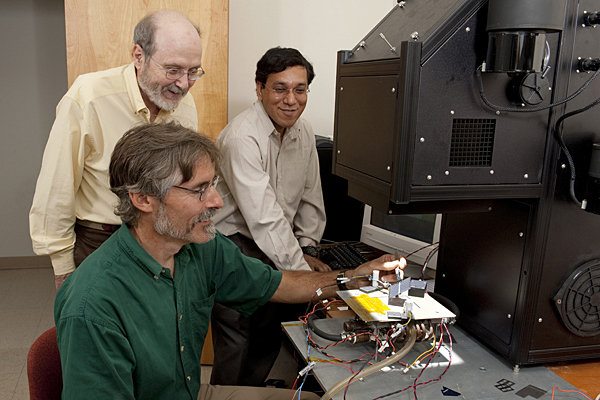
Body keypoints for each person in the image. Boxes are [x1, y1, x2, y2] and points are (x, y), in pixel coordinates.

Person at [54, 121, 405, 400]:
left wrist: (354, 278)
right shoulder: (93, 304)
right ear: (143, 199)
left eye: (214, 184)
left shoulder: (198, 247)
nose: (217, 201)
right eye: (199, 189)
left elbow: (280, 284)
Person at [29, 10, 204, 290]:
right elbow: (57, 186)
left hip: (160, 243)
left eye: (193, 71)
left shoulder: (185, 105)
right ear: (138, 56)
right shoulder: (88, 97)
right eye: (173, 70)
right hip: (100, 241)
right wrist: (63, 267)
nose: (183, 84)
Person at [210, 47, 329, 386]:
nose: (291, 99)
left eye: (300, 89)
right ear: (260, 89)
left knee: (268, 333)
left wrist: (308, 247)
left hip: (276, 244)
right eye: (280, 88)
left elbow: (310, 197)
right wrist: (310, 281)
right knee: (238, 337)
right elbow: (264, 219)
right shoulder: (241, 137)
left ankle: (251, 393)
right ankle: (228, 396)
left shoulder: (303, 132)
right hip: (234, 245)